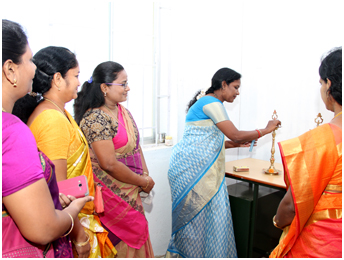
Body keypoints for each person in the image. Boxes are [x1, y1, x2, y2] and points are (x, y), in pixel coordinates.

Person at [12, 46, 117, 258]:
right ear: (58, 79)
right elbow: (59, 193)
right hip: (70, 223)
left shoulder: (57, 112)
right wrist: (79, 235)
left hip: (74, 217)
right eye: (76, 75)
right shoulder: (52, 120)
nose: (80, 82)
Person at [165, 67, 281, 258]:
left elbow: (207, 140)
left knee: (208, 221)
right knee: (194, 222)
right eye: (235, 87)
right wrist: (265, 130)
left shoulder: (210, 103)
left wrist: (234, 144)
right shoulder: (211, 102)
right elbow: (234, 132)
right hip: (193, 172)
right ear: (223, 84)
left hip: (200, 169)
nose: (238, 92)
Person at [2, 19, 93, 258]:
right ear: (10, 69)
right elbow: (43, 228)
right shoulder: (11, 131)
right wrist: (73, 211)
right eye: (30, 60)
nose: (34, 69)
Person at [74, 61, 155, 257]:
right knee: (122, 237)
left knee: (139, 230)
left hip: (132, 188)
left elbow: (136, 147)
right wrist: (142, 181)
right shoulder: (95, 118)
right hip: (112, 195)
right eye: (123, 83)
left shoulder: (122, 111)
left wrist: (145, 176)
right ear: (104, 87)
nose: (128, 88)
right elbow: (108, 164)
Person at [270, 47, 342, 258]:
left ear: (329, 84)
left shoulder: (322, 139)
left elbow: (291, 206)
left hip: (320, 245)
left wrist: (277, 221)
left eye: (321, 83)